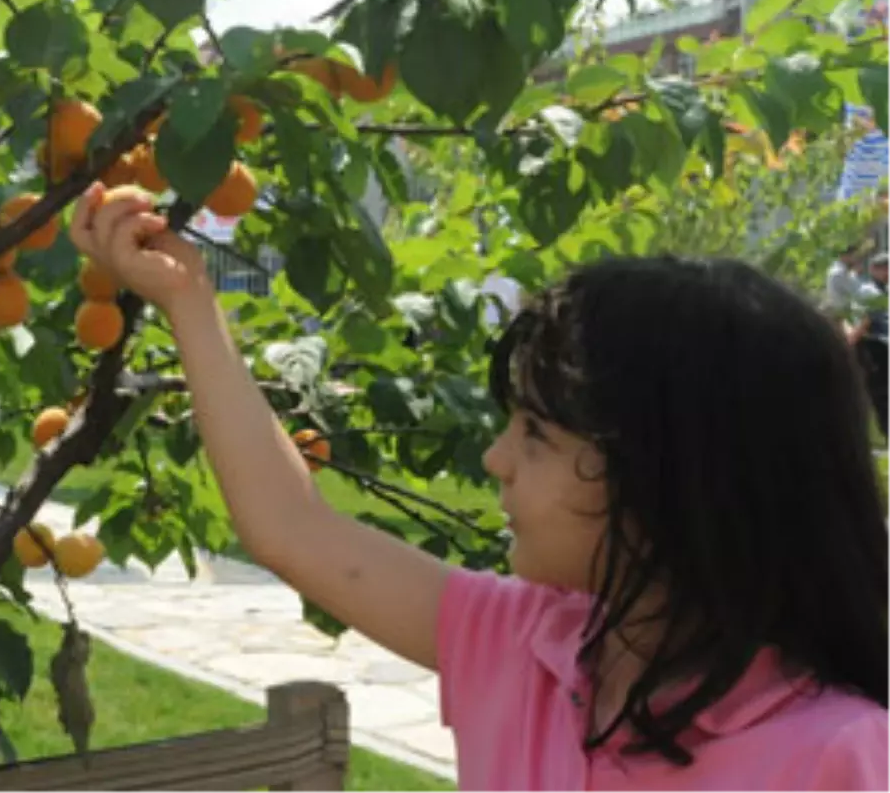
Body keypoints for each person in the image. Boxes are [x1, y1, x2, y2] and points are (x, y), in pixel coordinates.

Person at [69, 183, 890, 792]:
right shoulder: (529, 653)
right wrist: (187, 299)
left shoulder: (840, 757)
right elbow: (291, 526)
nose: (496, 460)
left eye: (536, 434)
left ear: (671, 478)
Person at [852, 253, 890, 441]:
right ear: (873, 269)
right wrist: (850, 342)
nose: (888, 272)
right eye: (885, 268)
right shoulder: (868, 291)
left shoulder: (884, 290)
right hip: (876, 348)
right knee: (883, 394)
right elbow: (864, 321)